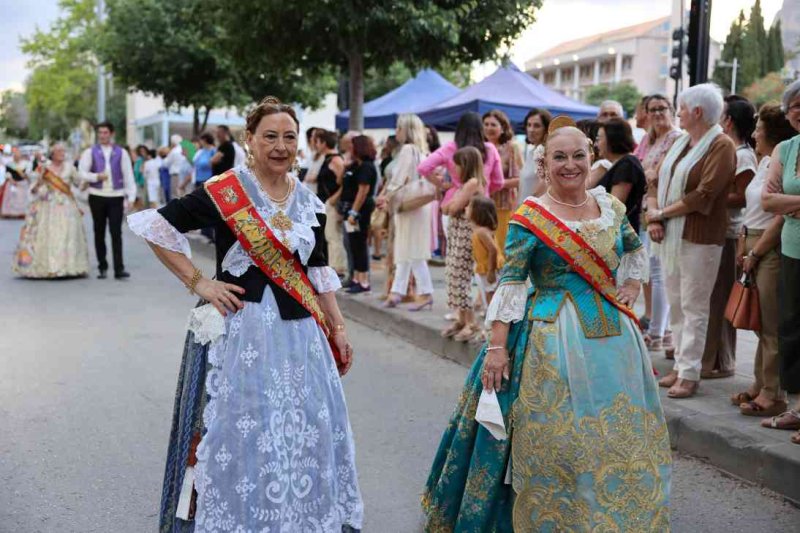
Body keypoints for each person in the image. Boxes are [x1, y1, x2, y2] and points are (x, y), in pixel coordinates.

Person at [127, 96, 363, 531]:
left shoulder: (307, 201)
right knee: (242, 428)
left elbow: (319, 270)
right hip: (242, 332)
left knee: (303, 427)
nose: (280, 145)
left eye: (289, 137)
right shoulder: (226, 191)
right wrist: (200, 282)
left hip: (300, 337)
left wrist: (339, 327)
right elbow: (155, 226)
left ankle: (296, 516)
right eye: (269, 136)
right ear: (249, 141)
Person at [423, 122, 669, 531]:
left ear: (591, 157)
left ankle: (611, 511)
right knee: (561, 435)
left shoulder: (609, 206)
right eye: (559, 157)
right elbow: (512, 283)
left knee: (613, 430)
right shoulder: (529, 217)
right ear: (544, 163)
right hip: (551, 338)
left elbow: (634, 247)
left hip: (613, 336)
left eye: (578, 156)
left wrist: (629, 284)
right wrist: (498, 349)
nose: (570, 165)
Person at [646, 83, 736, 399]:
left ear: (696, 112)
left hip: (701, 237)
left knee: (694, 305)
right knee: (677, 303)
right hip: (672, 235)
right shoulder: (682, 141)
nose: (678, 113)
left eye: (681, 108)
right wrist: (654, 213)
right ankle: (681, 367)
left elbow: (704, 195)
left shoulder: (721, 146)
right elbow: (655, 178)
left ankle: (690, 373)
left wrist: (661, 214)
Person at [730, 103, 795, 417]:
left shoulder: (778, 162)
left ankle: (773, 392)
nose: (754, 134)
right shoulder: (766, 161)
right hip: (752, 241)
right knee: (759, 322)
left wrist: (755, 253)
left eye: (758, 129)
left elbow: (779, 216)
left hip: (767, 246)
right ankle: (760, 383)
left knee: (770, 324)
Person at [418, 112, 504, 328]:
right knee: (472, 265)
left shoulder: (451, 149)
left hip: (459, 213)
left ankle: (465, 317)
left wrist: (444, 185)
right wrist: (483, 196)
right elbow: (499, 182)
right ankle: (472, 315)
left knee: (458, 266)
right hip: (480, 212)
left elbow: (423, 168)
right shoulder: (490, 149)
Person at [701, 95, 758, 379]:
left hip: (731, 232)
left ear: (729, 120)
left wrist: (711, 196)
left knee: (721, 298)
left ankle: (720, 360)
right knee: (713, 297)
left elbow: (743, 197)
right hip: (720, 231)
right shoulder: (731, 149)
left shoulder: (744, 155)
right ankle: (712, 358)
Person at [760, 79, 800, 446]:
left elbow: (778, 200)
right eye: (795, 106)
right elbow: (766, 201)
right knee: (790, 329)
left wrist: (786, 202)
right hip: (791, 248)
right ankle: (797, 408)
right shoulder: (786, 149)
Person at [636, 94, 682, 356]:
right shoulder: (650, 139)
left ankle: (658, 331)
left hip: (662, 211)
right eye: (651, 109)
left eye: (661, 108)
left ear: (671, 110)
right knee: (652, 271)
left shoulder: (676, 138)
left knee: (659, 273)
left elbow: (658, 174)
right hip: (647, 208)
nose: (656, 113)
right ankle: (660, 330)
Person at [378, 114, 433, 309]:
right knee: (408, 247)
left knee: (410, 248)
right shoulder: (421, 150)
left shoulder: (408, 150)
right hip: (418, 204)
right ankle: (397, 292)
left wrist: (386, 197)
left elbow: (398, 178)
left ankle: (424, 292)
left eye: (399, 128)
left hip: (407, 204)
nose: (397, 132)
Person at [13, 143, 90, 278]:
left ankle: (67, 267)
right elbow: (34, 189)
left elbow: (79, 183)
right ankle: (48, 266)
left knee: (67, 235)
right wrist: (39, 181)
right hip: (47, 205)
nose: (62, 153)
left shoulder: (70, 168)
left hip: (66, 206)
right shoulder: (44, 168)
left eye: (63, 151)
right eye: (59, 151)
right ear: (52, 154)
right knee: (48, 234)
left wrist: (90, 181)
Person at [438, 146, 487, 342]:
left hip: (465, 234)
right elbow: (446, 207)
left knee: (462, 276)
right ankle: (461, 318)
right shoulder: (464, 185)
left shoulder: (473, 183)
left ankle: (471, 322)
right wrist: (451, 204)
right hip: (457, 232)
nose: (454, 168)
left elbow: (452, 208)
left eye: (457, 164)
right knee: (454, 275)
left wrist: (452, 204)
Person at [77, 121, 136, 279]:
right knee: (99, 231)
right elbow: (81, 172)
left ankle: (119, 268)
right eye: (100, 133)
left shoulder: (121, 152)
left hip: (116, 196)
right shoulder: (91, 152)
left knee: (116, 232)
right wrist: (96, 176)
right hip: (96, 195)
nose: (102, 136)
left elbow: (128, 174)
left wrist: (131, 196)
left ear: (111, 134)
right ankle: (102, 266)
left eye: (105, 132)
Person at [595, 117, 646, 233]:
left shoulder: (627, 165)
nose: (596, 144)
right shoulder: (621, 163)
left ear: (612, 139)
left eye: (599, 139)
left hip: (621, 236)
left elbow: (615, 207)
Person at [341, 135, 377, 293]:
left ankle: (363, 280)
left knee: (360, 244)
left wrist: (354, 212)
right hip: (351, 208)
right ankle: (356, 277)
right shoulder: (356, 165)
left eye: (352, 146)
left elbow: (363, 191)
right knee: (353, 244)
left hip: (359, 210)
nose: (350, 149)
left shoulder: (367, 167)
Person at [483, 109, 521, 252]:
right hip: (481, 206)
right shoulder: (479, 148)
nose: (488, 128)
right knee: (483, 252)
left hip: (502, 206)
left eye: (493, 125)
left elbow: (520, 179)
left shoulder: (511, 147)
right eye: (485, 124)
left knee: (501, 250)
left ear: (503, 128)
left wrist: (496, 184)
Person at [314, 129, 347, 276]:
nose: (315, 145)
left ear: (324, 143)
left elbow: (345, 182)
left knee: (334, 237)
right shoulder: (327, 159)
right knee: (329, 237)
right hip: (325, 203)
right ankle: (334, 266)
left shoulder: (336, 160)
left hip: (332, 204)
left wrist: (334, 199)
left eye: (318, 142)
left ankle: (338, 268)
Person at [468, 195, 504, 310]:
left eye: (469, 207)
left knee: (490, 294)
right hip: (484, 267)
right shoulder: (479, 230)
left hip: (489, 267)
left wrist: (490, 271)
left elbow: (493, 250)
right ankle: (491, 320)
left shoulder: (482, 232)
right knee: (488, 293)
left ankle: (492, 323)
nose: (466, 208)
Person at [518, 108, 551, 203]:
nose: (531, 129)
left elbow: (545, 183)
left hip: (533, 211)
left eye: (537, 126)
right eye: (529, 125)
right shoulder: (531, 152)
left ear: (546, 129)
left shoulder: (545, 152)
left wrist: (528, 207)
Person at [0, 150, 30, 218]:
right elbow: (7, 173)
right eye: (16, 156)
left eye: (18, 156)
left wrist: (26, 177)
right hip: (12, 183)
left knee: (22, 199)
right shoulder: (10, 164)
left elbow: (27, 174)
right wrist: (11, 180)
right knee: (11, 199)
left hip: (22, 183)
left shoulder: (24, 164)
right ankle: (9, 213)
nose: (17, 157)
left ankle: (21, 213)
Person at [164, 134, 186, 201]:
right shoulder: (184, 149)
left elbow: (166, 163)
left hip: (175, 174)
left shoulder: (174, 151)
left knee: (175, 194)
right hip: (183, 173)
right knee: (182, 193)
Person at [132, 144, 148, 211]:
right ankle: (139, 210)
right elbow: (138, 171)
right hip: (140, 181)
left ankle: (139, 210)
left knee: (140, 196)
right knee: (140, 196)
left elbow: (137, 171)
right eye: (141, 151)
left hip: (140, 181)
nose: (143, 153)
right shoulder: (140, 160)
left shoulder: (140, 160)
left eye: (144, 151)